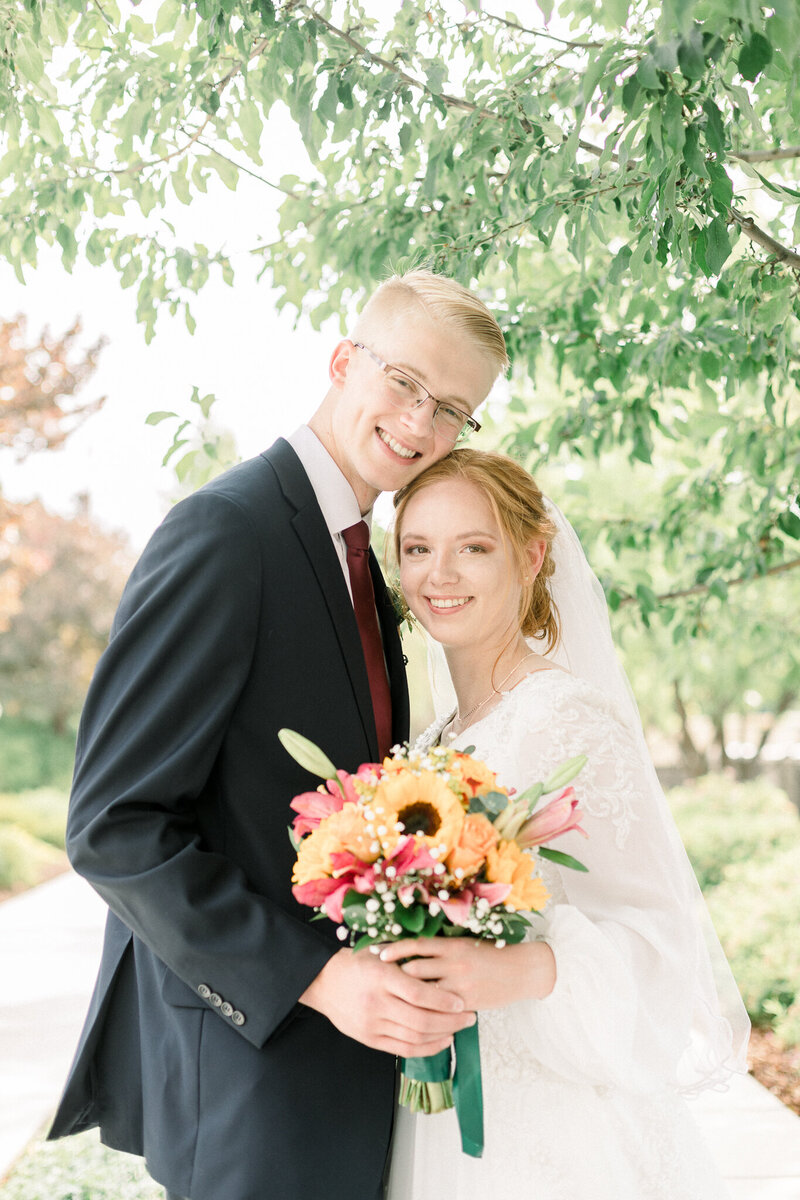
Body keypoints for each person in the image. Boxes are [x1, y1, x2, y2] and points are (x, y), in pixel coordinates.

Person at [47, 272, 508, 1200]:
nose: (421, 423)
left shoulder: (360, 560)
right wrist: (321, 979)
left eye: (453, 409)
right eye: (407, 383)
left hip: (349, 1064)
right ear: (344, 362)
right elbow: (116, 826)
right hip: (249, 1069)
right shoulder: (228, 532)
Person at [384, 448, 750, 1199]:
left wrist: (522, 969)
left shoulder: (567, 720)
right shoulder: (432, 742)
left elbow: (662, 937)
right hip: (443, 1113)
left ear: (531, 556)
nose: (438, 575)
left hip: (556, 1124)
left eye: (473, 548)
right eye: (417, 548)